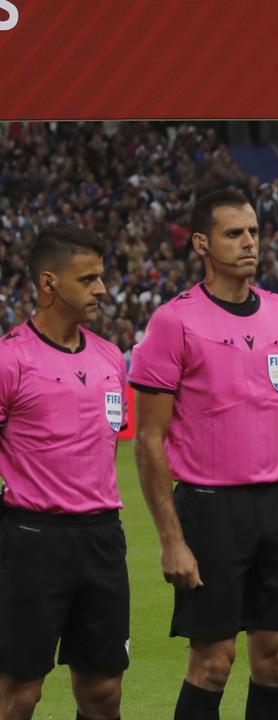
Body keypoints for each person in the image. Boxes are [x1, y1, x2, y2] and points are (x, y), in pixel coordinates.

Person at [131, 188, 278, 720]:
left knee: (277, 658)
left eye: (253, 231)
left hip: (277, 506)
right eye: (234, 233)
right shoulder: (173, 321)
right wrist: (172, 541)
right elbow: (148, 439)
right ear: (201, 244)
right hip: (210, 509)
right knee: (213, 661)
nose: (249, 242)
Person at [0, 226, 129, 720]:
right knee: (20, 692)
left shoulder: (109, 358)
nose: (102, 289)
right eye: (89, 278)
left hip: (102, 537)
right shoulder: (11, 358)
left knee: (103, 693)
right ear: (49, 283)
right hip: (33, 538)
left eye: (102, 276)